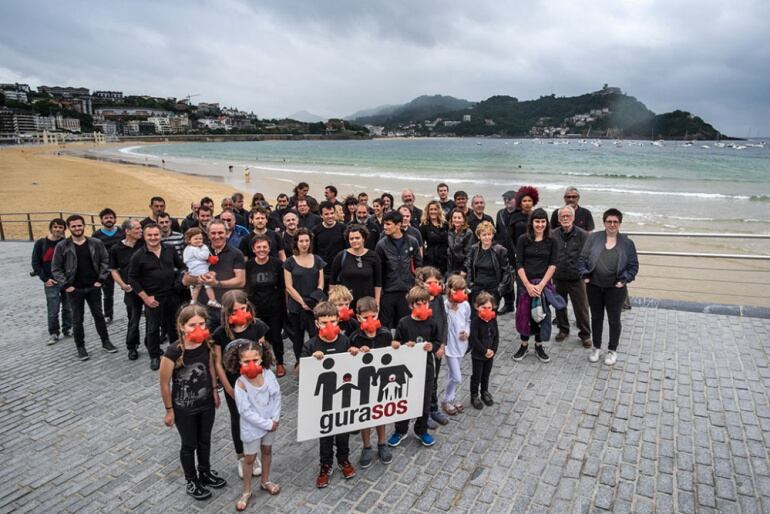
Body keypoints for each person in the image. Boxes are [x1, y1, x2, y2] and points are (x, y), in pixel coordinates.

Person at [159, 305, 226, 501]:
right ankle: (191, 480)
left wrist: (214, 390)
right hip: (184, 408)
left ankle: (205, 472)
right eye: (192, 325)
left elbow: (212, 367)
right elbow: (164, 383)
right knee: (189, 444)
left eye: (202, 324)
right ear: (181, 326)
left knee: (205, 439)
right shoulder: (173, 351)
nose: (198, 328)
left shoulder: (206, 343)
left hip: (205, 404)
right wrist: (169, 410)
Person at [212, 291, 270, 479]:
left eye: (243, 309)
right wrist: (228, 388)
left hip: (254, 381)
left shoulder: (257, 326)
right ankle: (241, 456)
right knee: (238, 419)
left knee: (256, 417)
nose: (240, 313)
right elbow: (218, 362)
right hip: (234, 383)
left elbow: (264, 354)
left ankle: (254, 454)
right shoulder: (220, 333)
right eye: (235, 311)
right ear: (227, 313)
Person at [301, 301, 359, 488]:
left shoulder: (345, 341)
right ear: (317, 323)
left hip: (343, 396)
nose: (329, 326)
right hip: (322, 399)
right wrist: (311, 361)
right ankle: (325, 465)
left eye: (333, 322)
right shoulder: (310, 345)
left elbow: (354, 368)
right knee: (325, 435)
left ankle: (344, 459)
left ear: (338, 321)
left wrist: (356, 354)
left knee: (343, 432)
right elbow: (300, 372)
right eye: (324, 322)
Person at [225, 339, 281, 509]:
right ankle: (246, 491)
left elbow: (276, 396)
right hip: (253, 427)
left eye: (255, 360)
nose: (252, 364)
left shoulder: (268, 375)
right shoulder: (240, 384)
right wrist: (266, 423)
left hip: (270, 422)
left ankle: (265, 480)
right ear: (239, 362)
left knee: (267, 450)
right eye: (246, 361)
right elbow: (245, 412)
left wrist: (275, 419)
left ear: (261, 358)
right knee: (249, 458)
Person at [51, 214, 116, 361]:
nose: (77, 228)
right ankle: (80, 347)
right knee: (77, 319)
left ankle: (105, 341)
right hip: (74, 289)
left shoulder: (95, 243)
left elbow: (105, 261)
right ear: (69, 228)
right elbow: (56, 268)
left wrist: (100, 279)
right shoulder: (63, 246)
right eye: (74, 226)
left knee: (99, 316)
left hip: (93, 287)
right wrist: (66, 285)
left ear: (84, 226)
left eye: (79, 225)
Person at [579, 208, 638, 366]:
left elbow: (633, 266)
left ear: (620, 223)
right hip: (594, 286)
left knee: (614, 319)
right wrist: (585, 275)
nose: (612, 224)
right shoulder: (594, 238)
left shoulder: (627, 243)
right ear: (604, 222)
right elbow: (582, 259)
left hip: (616, 288)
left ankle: (612, 350)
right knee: (596, 317)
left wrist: (624, 280)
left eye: (615, 222)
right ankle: (596, 347)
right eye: (609, 221)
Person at [387, 286, 442, 448]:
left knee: (424, 402)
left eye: (425, 304)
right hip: (407, 370)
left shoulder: (432, 323)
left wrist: (432, 346)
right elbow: (396, 342)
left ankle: (421, 429)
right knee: (405, 400)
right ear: (411, 305)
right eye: (419, 304)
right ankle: (400, 430)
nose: (423, 307)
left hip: (426, 368)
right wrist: (404, 345)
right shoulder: (404, 323)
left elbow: (437, 340)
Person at [348, 296, 396, 468]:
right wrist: (355, 352)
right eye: (365, 317)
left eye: (373, 316)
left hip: (381, 382)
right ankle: (367, 446)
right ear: (358, 318)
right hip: (363, 383)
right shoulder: (354, 337)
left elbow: (392, 356)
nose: (370, 320)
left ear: (377, 314)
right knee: (365, 416)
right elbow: (348, 361)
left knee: (380, 413)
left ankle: (382, 443)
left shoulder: (385, 333)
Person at [129, 223, 184, 370]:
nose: (153, 238)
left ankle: (176, 353)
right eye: (150, 235)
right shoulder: (138, 256)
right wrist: (146, 298)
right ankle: (154, 356)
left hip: (172, 295)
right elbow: (132, 279)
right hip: (154, 298)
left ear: (160, 235)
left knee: (174, 326)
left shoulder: (170, 250)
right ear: (145, 236)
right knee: (153, 329)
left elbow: (182, 266)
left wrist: (179, 281)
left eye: (156, 235)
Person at [513, 208, 559, 364]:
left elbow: (553, 264)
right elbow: (518, 263)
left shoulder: (552, 241)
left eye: (543, 221)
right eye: (537, 221)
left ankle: (539, 346)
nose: (540, 225)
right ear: (531, 222)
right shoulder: (523, 239)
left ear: (547, 223)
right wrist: (527, 285)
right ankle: (524, 344)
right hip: (525, 283)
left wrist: (540, 285)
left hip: (543, 284)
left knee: (541, 314)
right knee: (524, 314)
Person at [187, 220, 247, 331]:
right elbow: (185, 279)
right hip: (203, 309)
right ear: (208, 235)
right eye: (213, 233)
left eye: (220, 233)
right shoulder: (197, 252)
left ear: (226, 233)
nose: (217, 236)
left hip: (228, 307)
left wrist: (217, 283)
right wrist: (197, 278)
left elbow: (241, 281)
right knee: (206, 344)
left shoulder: (236, 253)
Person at [244, 235, 287, 377]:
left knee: (276, 337)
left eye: (264, 247)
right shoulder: (249, 265)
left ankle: (280, 362)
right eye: (258, 247)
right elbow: (246, 287)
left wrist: (284, 307)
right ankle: (262, 363)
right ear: (253, 249)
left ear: (269, 248)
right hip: (256, 309)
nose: (262, 250)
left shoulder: (277, 264)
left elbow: (283, 287)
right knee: (258, 338)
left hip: (274, 307)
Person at [283, 228, 325, 369]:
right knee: (298, 339)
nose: (304, 243)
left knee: (316, 336)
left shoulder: (317, 260)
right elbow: (289, 286)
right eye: (301, 241)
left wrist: (312, 302)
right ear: (296, 243)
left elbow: (321, 283)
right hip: (297, 306)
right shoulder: (290, 262)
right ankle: (300, 363)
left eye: (307, 240)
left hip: (314, 305)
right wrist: (302, 302)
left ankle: (316, 363)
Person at [552, 205, 592, 348]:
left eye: (568, 216)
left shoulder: (583, 235)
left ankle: (585, 334)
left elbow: (589, 257)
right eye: (562, 216)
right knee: (559, 305)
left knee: (581, 308)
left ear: (573, 218)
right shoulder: (553, 234)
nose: (565, 218)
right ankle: (563, 329)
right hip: (558, 277)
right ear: (558, 219)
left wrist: (587, 274)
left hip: (577, 278)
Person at [375, 210, 422, 329]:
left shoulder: (412, 241)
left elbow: (418, 266)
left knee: (405, 324)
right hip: (388, 291)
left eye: (388, 224)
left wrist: (416, 288)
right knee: (385, 325)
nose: (385, 227)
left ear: (398, 225)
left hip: (407, 290)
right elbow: (378, 271)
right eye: (384, 224)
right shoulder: (381, 245)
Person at [415, 266, 449, 427]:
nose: (434, 285)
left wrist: (442, 344)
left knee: (434, 378)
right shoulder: (417, 301)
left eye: (436, 282)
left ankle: (433, 407)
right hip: (423, 347)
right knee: (424, 380)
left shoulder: (439, 299)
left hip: (436, 346)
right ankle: (423, 412)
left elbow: (444, 320)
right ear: (422, 283)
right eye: (430, 282)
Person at [32, 217, 72, 345]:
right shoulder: (41, 243)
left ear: (64, 230)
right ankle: (54, 333)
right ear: (51, 228)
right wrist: (44, 279)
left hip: (66, 281)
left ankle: (68, 328)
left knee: (68, 307)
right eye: (55, 227)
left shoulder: (66, 243)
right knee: (53, 310)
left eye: (60, 227)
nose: (57, 229)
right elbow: (36, 263)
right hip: (51, 282)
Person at [109, 218, 144, 360]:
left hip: (148, 288)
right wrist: (122, 285)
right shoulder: (116, 249)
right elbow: (113, 270)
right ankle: (132, 346)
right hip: (130, 290)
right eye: (137, 229)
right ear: (127, 231)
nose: (140, 231)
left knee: (153, 319)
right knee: (133, 319)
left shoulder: (144, 244)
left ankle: (152, 345)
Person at [329, 224, 382, 308]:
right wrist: (332, 303)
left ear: (363, 239)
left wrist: (377, 302)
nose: (354, 241)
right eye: (351, 239)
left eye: (357, 238)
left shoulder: (374, 256)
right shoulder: (341, 256)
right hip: (346, 303)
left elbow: (378, 283)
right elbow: (332, 281)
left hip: (367, 303)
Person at [441, 274, 471, 415]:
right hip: (449, 346)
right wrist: (452, 308)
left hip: (461, 344)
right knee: (457, 377)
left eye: (462, 289)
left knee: (452, 375)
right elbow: (446, 325)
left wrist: (467, 331)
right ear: (449, 290)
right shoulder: (444, 306)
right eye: (456, 290)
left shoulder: (465, 305)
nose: (459, 293)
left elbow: (468, 321)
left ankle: (452, 398)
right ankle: (446, 399)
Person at [464, 221, 513, 304]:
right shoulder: (474, 249)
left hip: (493, 287)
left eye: (489, 234)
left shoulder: (500, 250)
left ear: (492, 235)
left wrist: (500, 289)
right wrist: (470, 285)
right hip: (477, 286)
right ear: (479, 236)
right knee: (475, 313)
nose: (487, 237)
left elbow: (506, 271)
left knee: (490, 314)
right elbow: (469, 267)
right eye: (484, 235)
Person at [92, 207, 124, 323]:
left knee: (130, 287)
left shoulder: (121, 232)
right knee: (107, 293)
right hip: (106, 267)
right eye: (106, 218)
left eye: (111, 217)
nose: (109, 219)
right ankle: (108, 315)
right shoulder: (96, 235)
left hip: (121, 266)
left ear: (115, 219)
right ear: (101, 220)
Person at [469, 291, 499, 410]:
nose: (486, 310)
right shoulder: (476, 321)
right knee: (477, 376)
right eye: (483, 307)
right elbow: (474, 339)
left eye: (489, 307)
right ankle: (474, 395)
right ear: (477, 307)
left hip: (489, 355)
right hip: (478, 355)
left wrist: (493, 350)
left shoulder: (493, 319)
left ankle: (484, 392)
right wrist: (484, 351)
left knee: (486, 375)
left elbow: (496, 336)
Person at [313, 201, 348, 288]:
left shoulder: (343, 228)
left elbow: (347, 249)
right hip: (323, 271)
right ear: (321, 215)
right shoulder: (316, 230)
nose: (330, 216)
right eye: (326, 214)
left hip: (340, 270)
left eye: (332, 213)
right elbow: (314, 252)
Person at [494, 191, 518, 314]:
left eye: (510, 198)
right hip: (503, 252)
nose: (507, 201)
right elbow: (497, 232)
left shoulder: (521, 214)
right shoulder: (500, 214)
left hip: (519, 252)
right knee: (507, 278)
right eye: (505, 199)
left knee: (520, 281)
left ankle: (521, 306)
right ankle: (509, 304)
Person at [183, 227, 219, 308]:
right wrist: (204, 248)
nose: (199, 241)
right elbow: (204, 256)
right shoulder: (193, 249)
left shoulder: (187, 249)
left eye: (200, 239)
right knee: (208, 285)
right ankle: (212, 300)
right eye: (196, 239)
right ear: (189, 240)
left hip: (193, 270)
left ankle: (193, 300)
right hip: (200, 270)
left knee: (198, 286)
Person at [419, 200, 448, 274]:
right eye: (431, 209)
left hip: (445, 259)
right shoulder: (424, 226)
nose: (433, 211)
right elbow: (421, 244)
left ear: (439, 211)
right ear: (427, 211)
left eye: (435, 209)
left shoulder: (445, 224)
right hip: (430, 259)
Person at [447, 208, 473, 276]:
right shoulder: (450, 231)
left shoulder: (468, 233)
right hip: (451, 266)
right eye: (454, 217)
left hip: (462, 267)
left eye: (459, 218)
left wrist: (464, 269)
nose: (456, 220)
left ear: (463, 220)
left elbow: (469, 253)